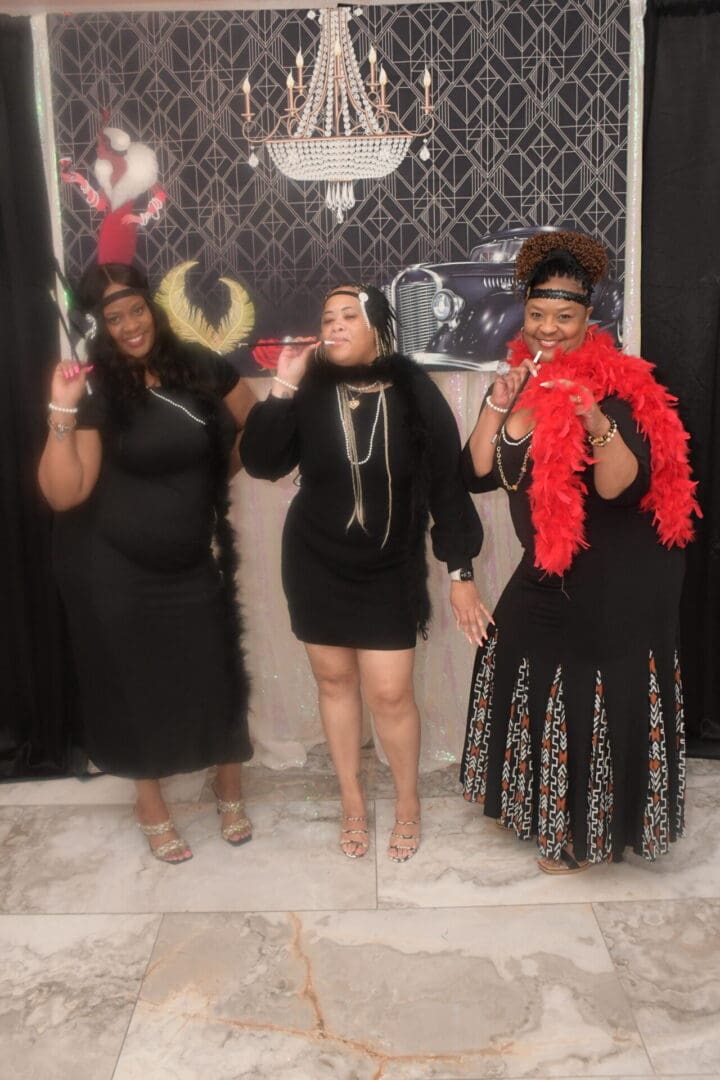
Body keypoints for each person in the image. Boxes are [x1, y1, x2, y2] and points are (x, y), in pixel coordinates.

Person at [460, 230, 699, 872]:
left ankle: (583, 833)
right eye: (537, 315)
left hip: (616, 572)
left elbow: (621, 488)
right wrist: (494, 403)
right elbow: (479, 470)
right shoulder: (523, 381)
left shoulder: (617, 390)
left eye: (564, 317)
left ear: (590, 319)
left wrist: (596, 423)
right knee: (513, 654)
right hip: (548, 563)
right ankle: (532, 802)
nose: (548, 329)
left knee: (591, 688)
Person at [240, 284, 488, 861]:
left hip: (388, 570)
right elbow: (261, 462)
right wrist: (282, 382)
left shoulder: (415, 392)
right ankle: (352, 801)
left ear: (379, 325)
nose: (337, 325)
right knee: (334, 683)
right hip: (315, 561)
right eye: (328, 317)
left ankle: (406, 803)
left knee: (391, 692)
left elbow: (448, 489)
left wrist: (460, 570)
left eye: (350, 315)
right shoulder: (308, 393)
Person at [38, 263, 257, 864]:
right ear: (98, 326)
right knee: (132, 685)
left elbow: (252, 420)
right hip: (109, 568)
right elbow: (65, 493)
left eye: (135, 308)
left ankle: (230, 784)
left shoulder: (199, 365)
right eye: (114, 317)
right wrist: (61, 409)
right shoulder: (97, 388)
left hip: (191, 562)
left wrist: (215, 475)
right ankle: (150, 805)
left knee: (217, 671)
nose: (130, 324)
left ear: (151, 305)